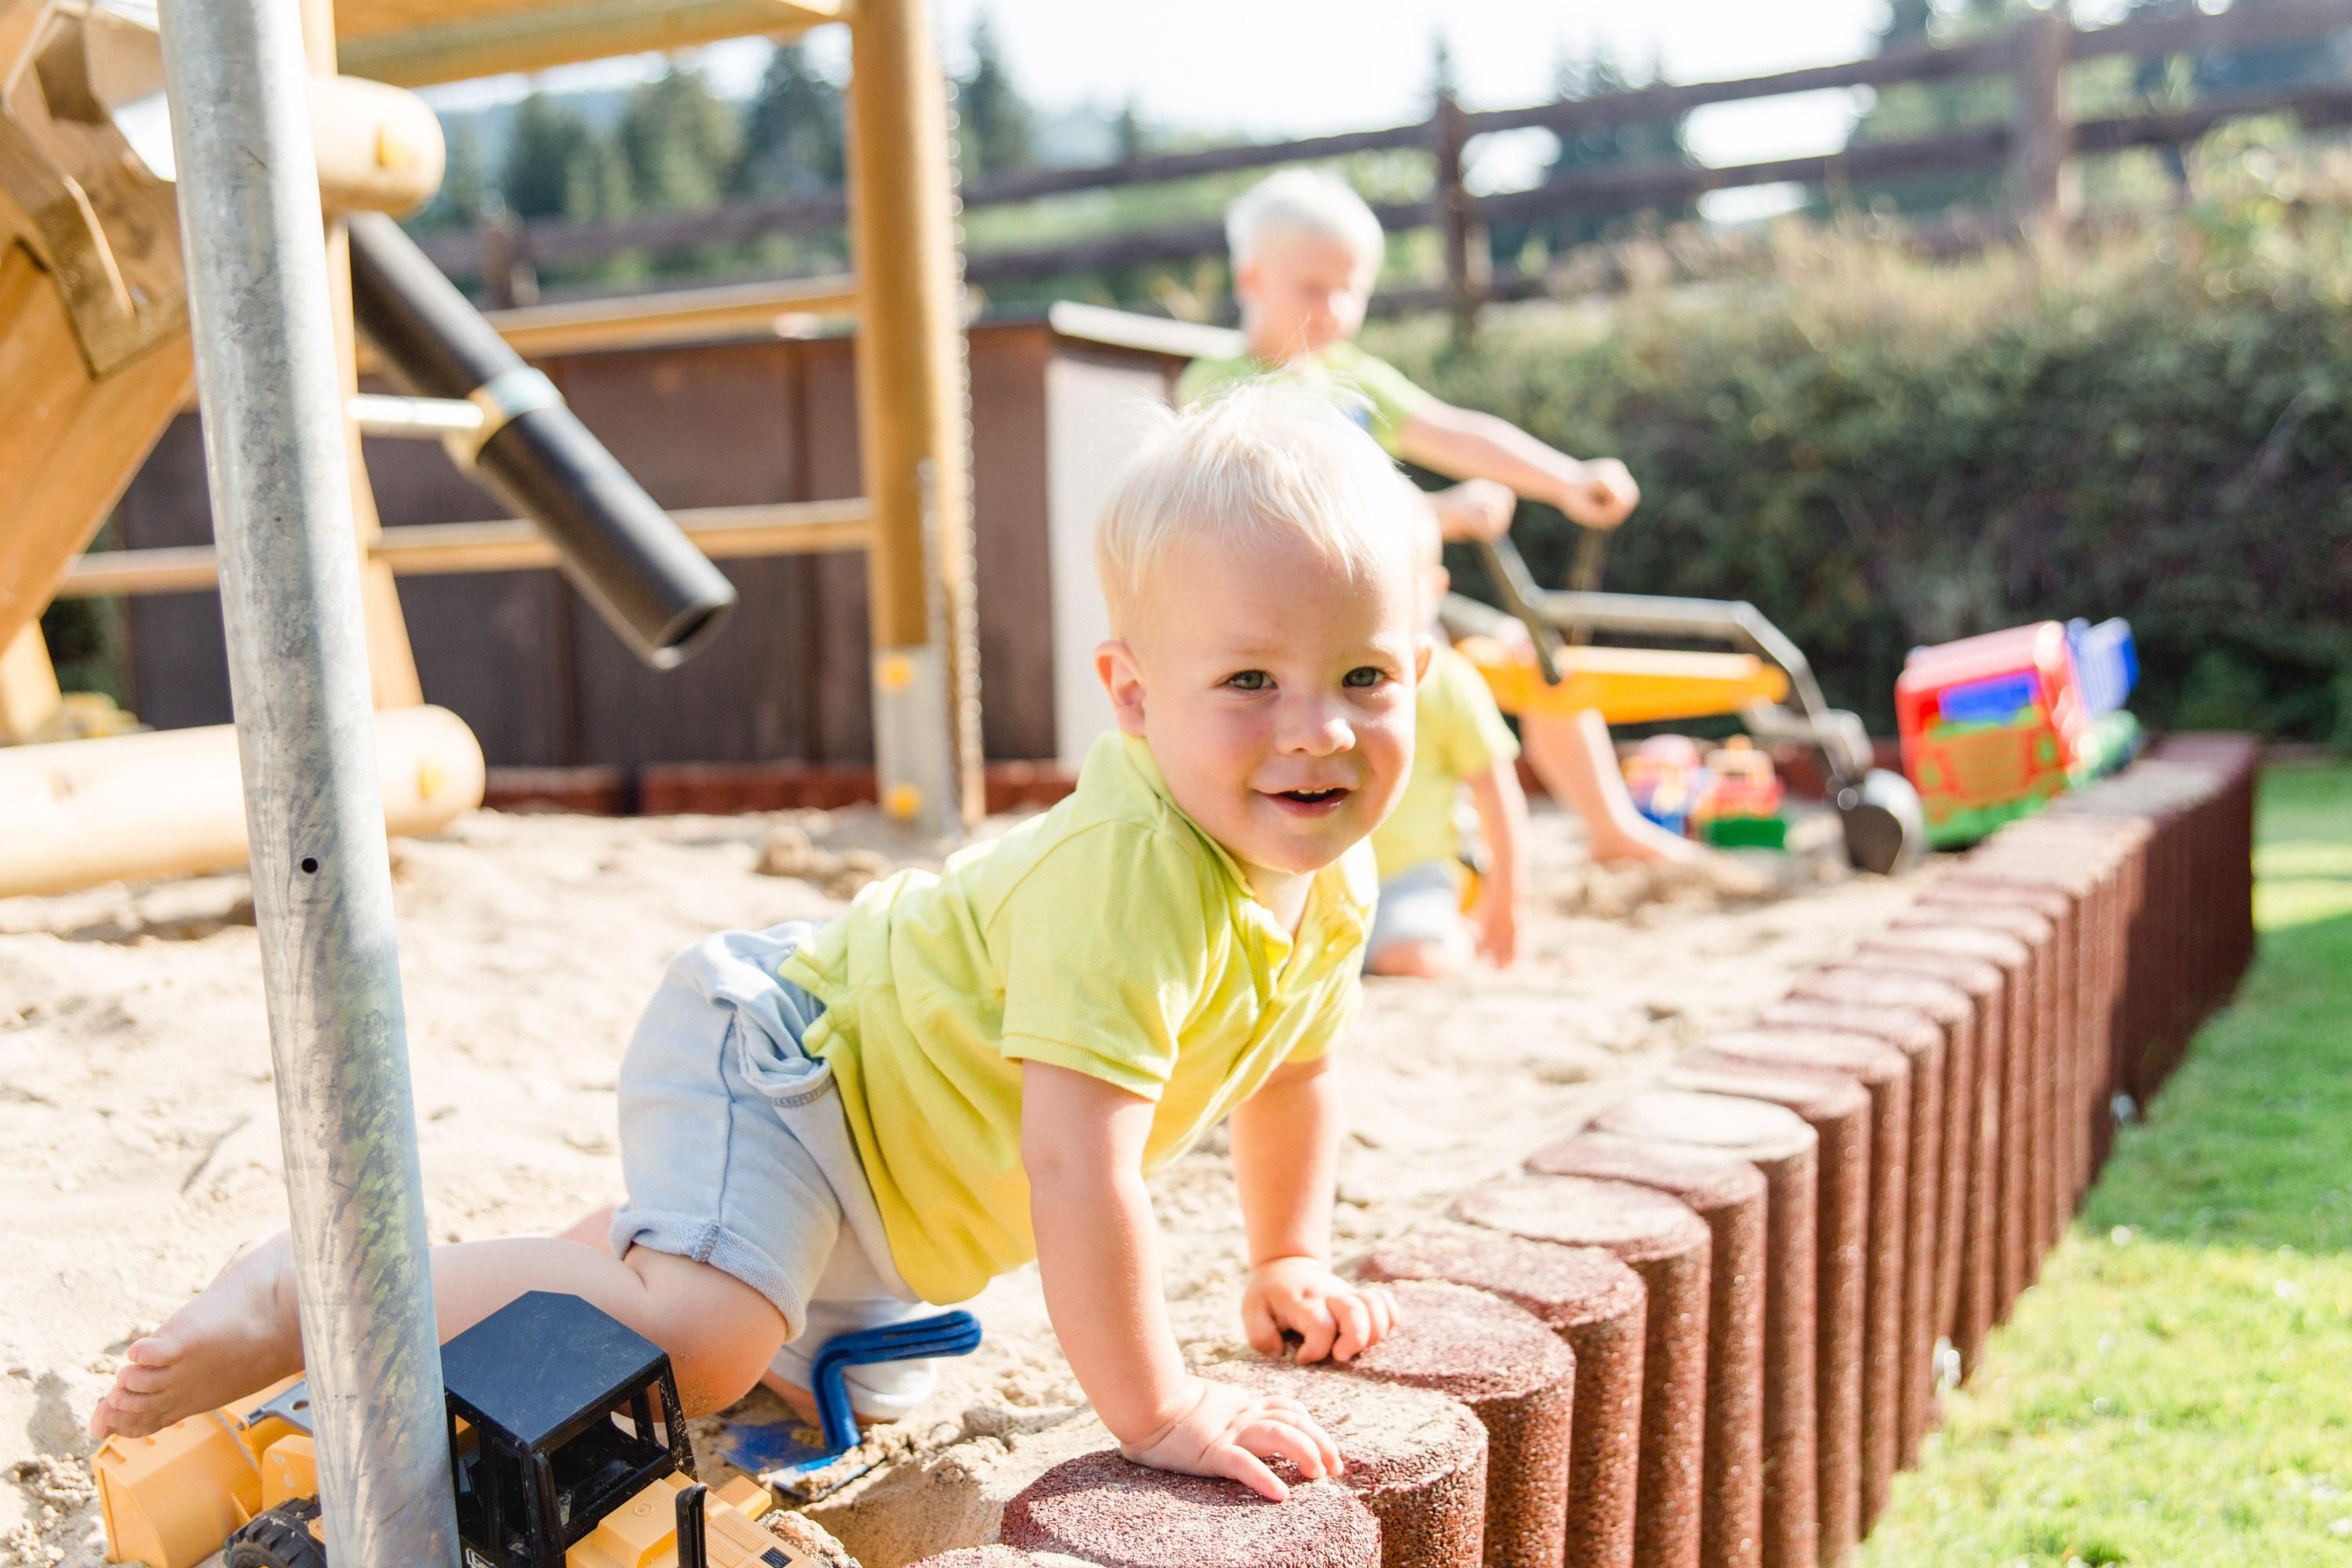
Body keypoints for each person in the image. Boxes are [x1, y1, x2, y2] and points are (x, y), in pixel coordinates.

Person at [89, 387, 1415, 1504]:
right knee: (711, 1342)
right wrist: (1161, 1410)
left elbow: (1294, 1073)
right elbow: (1081, 1167)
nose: (1318, 731)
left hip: (880, 1196)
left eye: (1364, 677)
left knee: (814, 1360)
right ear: (1131, 694)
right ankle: (311, 1296)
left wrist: (1283, 1258)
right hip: (791, 1070)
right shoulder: (1132, 882)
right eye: (1249, 681)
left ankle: (609, 1266)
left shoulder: (1331, 876)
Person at [1178, 167, 1714, 866]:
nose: (1334, 308)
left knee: (1535, 655)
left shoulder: (1352, 380)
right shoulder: (1222, 387)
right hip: (1282, 622)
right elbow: (1271, 511)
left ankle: (1609, 825)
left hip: (1385, 604)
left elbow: (1455, 432)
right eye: (1312, 288)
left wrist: (1567, 479)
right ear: (1251, 280)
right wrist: (1435, 513)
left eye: (1350, 289)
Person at [1364, 506, 1527, 977]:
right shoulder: (1321, 680)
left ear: (1434, 591)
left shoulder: (1449, 681)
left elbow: (1498, 798)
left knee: (1413, 957)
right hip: (1320, 881)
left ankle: (1461, 939)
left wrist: (1504, 905)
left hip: (1411, 881)